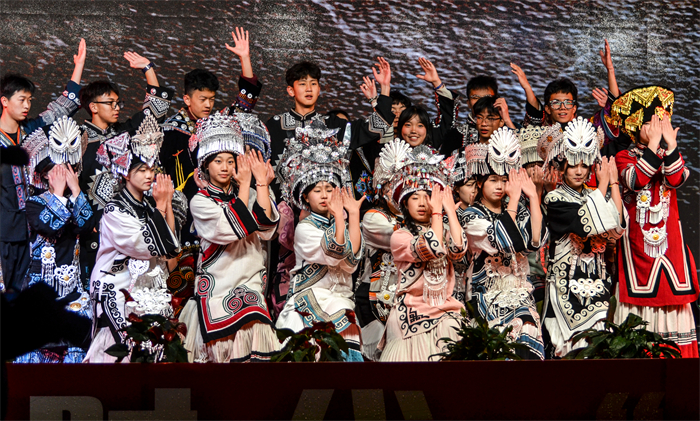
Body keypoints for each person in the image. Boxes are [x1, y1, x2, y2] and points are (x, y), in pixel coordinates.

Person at [180, 113, 279, 363]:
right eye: (218, 161)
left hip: (250, 281)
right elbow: (233, 228)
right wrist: (245, 185)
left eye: (230, 161)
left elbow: (267, 228)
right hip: (219, 285)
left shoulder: (251, 192)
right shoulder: (201, 201)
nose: (225, 167)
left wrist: (261, 183)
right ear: (206, 165)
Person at [611, 86, 698, 358]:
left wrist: (670, 146)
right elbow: (636, 180)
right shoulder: (624, 157)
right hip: (638, 248)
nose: (658, 128)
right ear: (636, 126)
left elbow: (677, 178)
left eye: (662, 122)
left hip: (670, 247)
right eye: (651, 123)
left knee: (673, 299)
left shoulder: (669, 155)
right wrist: (653, 146)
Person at [84, 116, 180, 363]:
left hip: (146, 289)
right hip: (116, 288)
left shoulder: (148, 206)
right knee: (125, 352)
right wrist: (161, 206)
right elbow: (145, 247)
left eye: (152, 169)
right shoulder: (114, 210)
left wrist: (166, 204)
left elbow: (170, 250)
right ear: (126, 174)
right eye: (142, 170)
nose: (149, 175)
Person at [78, 51, 174, 289]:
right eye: (110, 103)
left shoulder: (125, 134)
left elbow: (154, 113)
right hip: (93, 230)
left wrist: (148, 69)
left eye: (118, 102)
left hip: (129, 227)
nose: (117, 108)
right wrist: (87, 222)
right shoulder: (78, 141)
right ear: (93, 107)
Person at [0, 39, 85, 294]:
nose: (27, 105)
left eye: (29, 100)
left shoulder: (30, 129)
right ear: (4, 101)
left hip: (32, 227)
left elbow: (63, 107)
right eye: (21, 99)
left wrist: (79, 66)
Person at [275, 121, 365, 361]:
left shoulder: (341, 224)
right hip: (311, 298)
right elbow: (335, 254)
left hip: (341, 300)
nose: (325, 195)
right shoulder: (305, 229)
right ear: (305, 196)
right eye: (317, 190)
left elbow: (351, 263)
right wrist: (340, 218)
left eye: (329, 189)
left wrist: (353, 215)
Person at [539, 117, 624, 358]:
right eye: (573, 165)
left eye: (585, 165)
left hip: (597, 283)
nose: (579, 171)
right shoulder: (555, 199)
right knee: (567, 350)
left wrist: (613, 182)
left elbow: (617, 229)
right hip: (565, 286)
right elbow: (587, 225)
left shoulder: (596, 194)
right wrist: (603, 185)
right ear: (562, 168)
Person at [462, 127, 548, 359]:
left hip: (520, 291)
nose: (500, 186)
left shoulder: (518, 208)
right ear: (480, 183)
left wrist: (533, 196)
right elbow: (504, 242)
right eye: (493, 180)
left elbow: (534, 242)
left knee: (529, 336)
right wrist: (515, 199)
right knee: (501, 348)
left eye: (504, 180)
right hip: (486, 293)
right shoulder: (472, 215)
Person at [376, 142, 467, 362]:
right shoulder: (401, 236)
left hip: (445, 307)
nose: (423, 203)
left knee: (454, 327)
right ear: (405, 204)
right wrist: (438, 213)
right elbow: (432, 248)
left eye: (428, 197)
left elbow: (459, 250)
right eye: (415, 197)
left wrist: (449, 211)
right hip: (411, 309)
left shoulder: (442, 228)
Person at [14, 117, 95, 362]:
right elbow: (49, 226)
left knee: (75, 348)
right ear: (44, 174)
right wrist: (58, 193)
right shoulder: (33, 204)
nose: (62, 174)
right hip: (41, 288)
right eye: (56, 170)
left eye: (67, 169)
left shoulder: (76, 200)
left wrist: (76, 189)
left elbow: (86, 224)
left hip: (73, 289)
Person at [354, 141, 405, 360]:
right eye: (389, 186)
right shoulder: (373, 217)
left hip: (404, 295)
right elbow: (402, 241)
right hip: (374, 297)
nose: (395, 192)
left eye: (401, 185)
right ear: (381, 191)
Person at [440, 75, 498, 154]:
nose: (481, 102)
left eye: (487, 98)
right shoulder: (455, 135)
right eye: (476, 98)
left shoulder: (507, 131)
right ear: (468, 103)